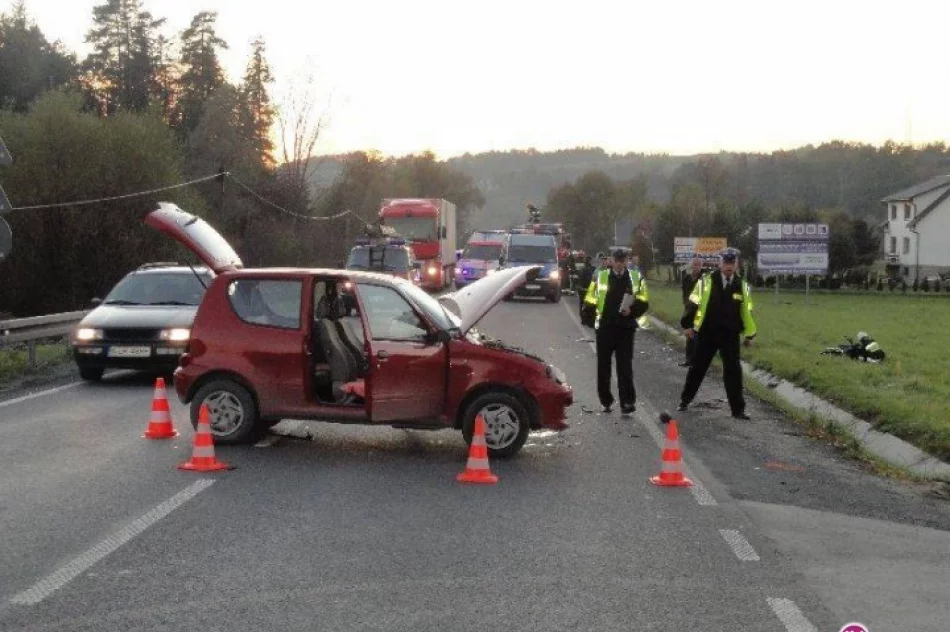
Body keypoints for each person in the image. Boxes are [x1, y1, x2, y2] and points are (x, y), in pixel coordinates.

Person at [677, 247, 757, 420]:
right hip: (707, 332)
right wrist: (687, 325)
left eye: (732, 263)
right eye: (726, 263)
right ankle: (685, 400)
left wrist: (750, 335)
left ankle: (738, 410)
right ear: (719, 263)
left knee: (733, 371)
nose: (729, 266)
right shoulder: (706, 281)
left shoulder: (741, 285)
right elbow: (692, 304)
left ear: (736, 265)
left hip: (730, 334)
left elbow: (747, 311)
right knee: (697, 367)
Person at [584, 249, 649, 415]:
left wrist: (633, 311)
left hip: (626, 328)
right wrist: (590, 320)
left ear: (627, 260)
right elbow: (590, 299)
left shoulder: (636, 277)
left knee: (625, 366)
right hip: (605, 327)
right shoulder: (601, 276)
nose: (620, 263)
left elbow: (644, 301)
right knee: (604, 366)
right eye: (617, 260)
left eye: (623, 260)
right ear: (612, 260)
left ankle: (627, 402)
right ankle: (606, 400)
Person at [679, 257, 704, 367]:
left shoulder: (703, 279)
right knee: (689, 335)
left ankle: (697, 361)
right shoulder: (686, 278)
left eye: (698, 265)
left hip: (699, 310)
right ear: (691, 266)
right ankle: (688, 360)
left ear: (701, 266)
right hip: (688, 310)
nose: (696, 267)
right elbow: (684, 293)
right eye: (694, 265)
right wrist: (686, 304)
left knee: (697, 335)